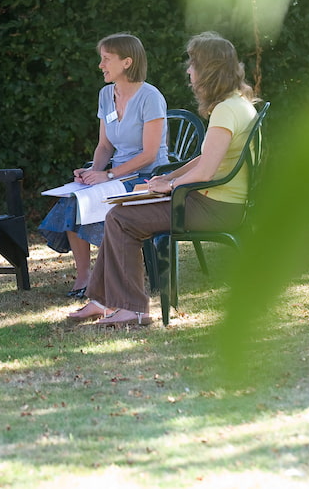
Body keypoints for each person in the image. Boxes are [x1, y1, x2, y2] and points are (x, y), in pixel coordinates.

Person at [67, 32, 260, 326]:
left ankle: (131, 309)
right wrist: (171, 176)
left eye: (193, 64)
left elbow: (206, 173)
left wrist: (167, 186)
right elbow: (204, 159)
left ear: (209, 70)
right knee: (120, 214)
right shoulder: (239, 105)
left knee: (120, 218)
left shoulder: (225, 111)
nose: (188, 70)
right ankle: (104, 301)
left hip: (215, 209)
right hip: (220, 204)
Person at [39, 33, 169, 299]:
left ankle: (106, 276)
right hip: (116, 176)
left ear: (127, 62)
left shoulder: (150, 97)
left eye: (106, 59)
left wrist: (107, 174)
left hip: (148, 177)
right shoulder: (105, 94)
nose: (100, 65)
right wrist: (91, 174)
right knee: (73, 198)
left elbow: (149, 154)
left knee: (91, 202)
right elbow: (104, 146)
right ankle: (85, 276)